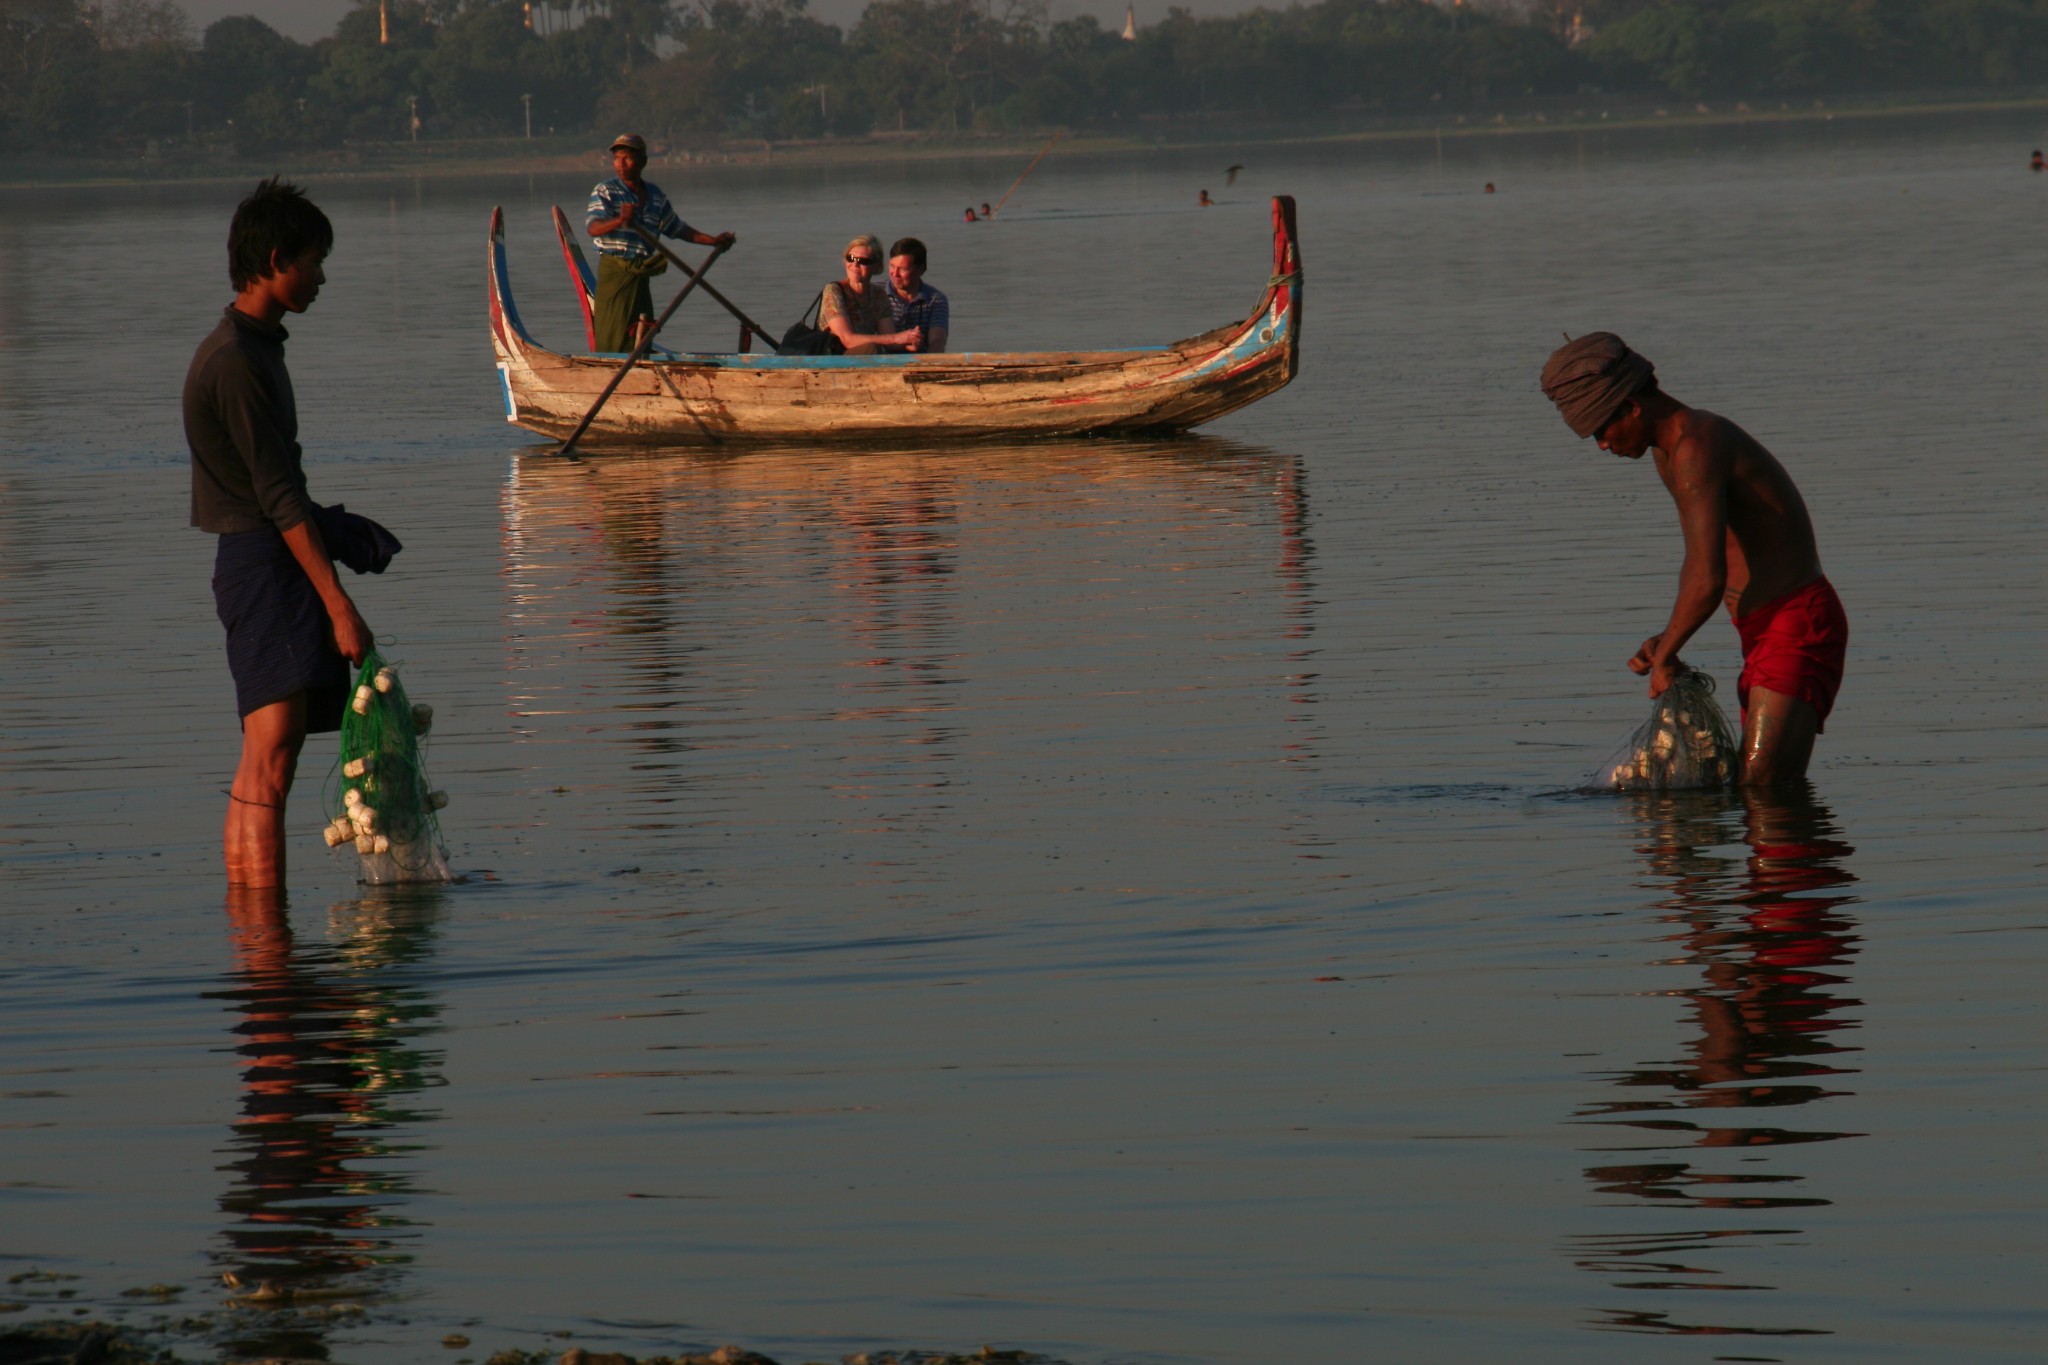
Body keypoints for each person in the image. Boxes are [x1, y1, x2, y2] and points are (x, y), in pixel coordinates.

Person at [1540, 332, 1848, 785]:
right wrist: (1669, 638)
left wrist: (1667, 655)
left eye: (1602, 429)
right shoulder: (1670, 451)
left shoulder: (1696, 446)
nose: (1602, 445)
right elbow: (1700, 560)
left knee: (1765, 790)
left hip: (1795, 623)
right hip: (1762, 629)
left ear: (1632, 406)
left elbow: (1708, 575)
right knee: (1758, 789)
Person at [186, 179, 374, 887]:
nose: (321, 276)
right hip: (261, 561)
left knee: (268, 755)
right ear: (274, 258)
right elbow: (276, 495)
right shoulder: (236, 361)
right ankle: (267, 942)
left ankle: (257, 936)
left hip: (262, 554)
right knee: (271, 757)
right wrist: (338, 604)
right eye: (314, 260)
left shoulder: (254, 347)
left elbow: (278, 488)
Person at [585, 133, 734, 353]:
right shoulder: (606, 190)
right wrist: (620, 220)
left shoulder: (654, 196)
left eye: (627, 158)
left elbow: (677, 228)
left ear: (642, 161)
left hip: (641, 271)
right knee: (614, 331)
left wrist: (713, 241)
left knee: (642, 327)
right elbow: (593, 228)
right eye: (617, 158)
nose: (621, 164)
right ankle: (613, 366)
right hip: (616, 271)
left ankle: (641, 361)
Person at [819, 234, 922, 354]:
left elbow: (889, 341)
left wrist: (909, 341)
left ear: (876, 266)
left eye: (863, 261)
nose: (855, 264)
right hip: (832, 358)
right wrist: (896, 338)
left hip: (864, 357)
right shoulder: (834, 291)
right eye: (850, 258)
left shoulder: (878, 295)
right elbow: (847, 340)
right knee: (872, 348)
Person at [884, 236, 949, 354]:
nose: (895, 274)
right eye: (892, 266)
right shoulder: (877, 292)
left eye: (902, 269)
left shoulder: (936, 299)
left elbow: (937, 341)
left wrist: (930, 366)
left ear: (920, 269)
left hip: (919, 362)